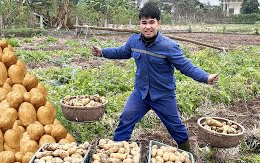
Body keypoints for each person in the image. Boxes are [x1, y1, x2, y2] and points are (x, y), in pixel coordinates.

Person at [91, 2, 219, 152]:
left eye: (152, 22)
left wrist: (205, 77)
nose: (148, 27)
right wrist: (102, 52)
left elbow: (186, 66)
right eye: (144, 23)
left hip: (163, 95)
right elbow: (122, 52)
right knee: (126, 118)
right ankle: (118, 152)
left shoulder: (169, 46)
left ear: (159, 23)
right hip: (141, 93)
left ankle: (188, 153)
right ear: (139, 24)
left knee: (175, 127)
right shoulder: (134, 41)